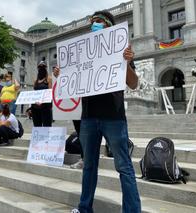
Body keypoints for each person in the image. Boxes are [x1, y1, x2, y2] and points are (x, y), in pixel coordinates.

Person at [54, 11, 140, 213]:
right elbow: (70, 83)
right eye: (92, 22)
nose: (94, 25)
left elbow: (134, 84)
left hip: (113, 116)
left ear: (109, 25)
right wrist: (61, 74)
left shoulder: (120, 48)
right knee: (89, 166)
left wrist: (126, 62)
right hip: (89, 117)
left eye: (98, 22)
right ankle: (85, 208)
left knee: (124, 167)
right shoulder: (83, 52)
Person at [29, 61, 53, 127]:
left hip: (45, 106)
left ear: (46, 68)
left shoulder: (49, 79)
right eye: (40, 66)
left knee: (47, 125)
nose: (41, 68)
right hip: (35, 107)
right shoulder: (35, 80)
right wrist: (30, 108)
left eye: (43, 66)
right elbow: (33, 94)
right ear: (38, 68)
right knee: (37, 126)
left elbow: (50, 92)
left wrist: (43, 101)